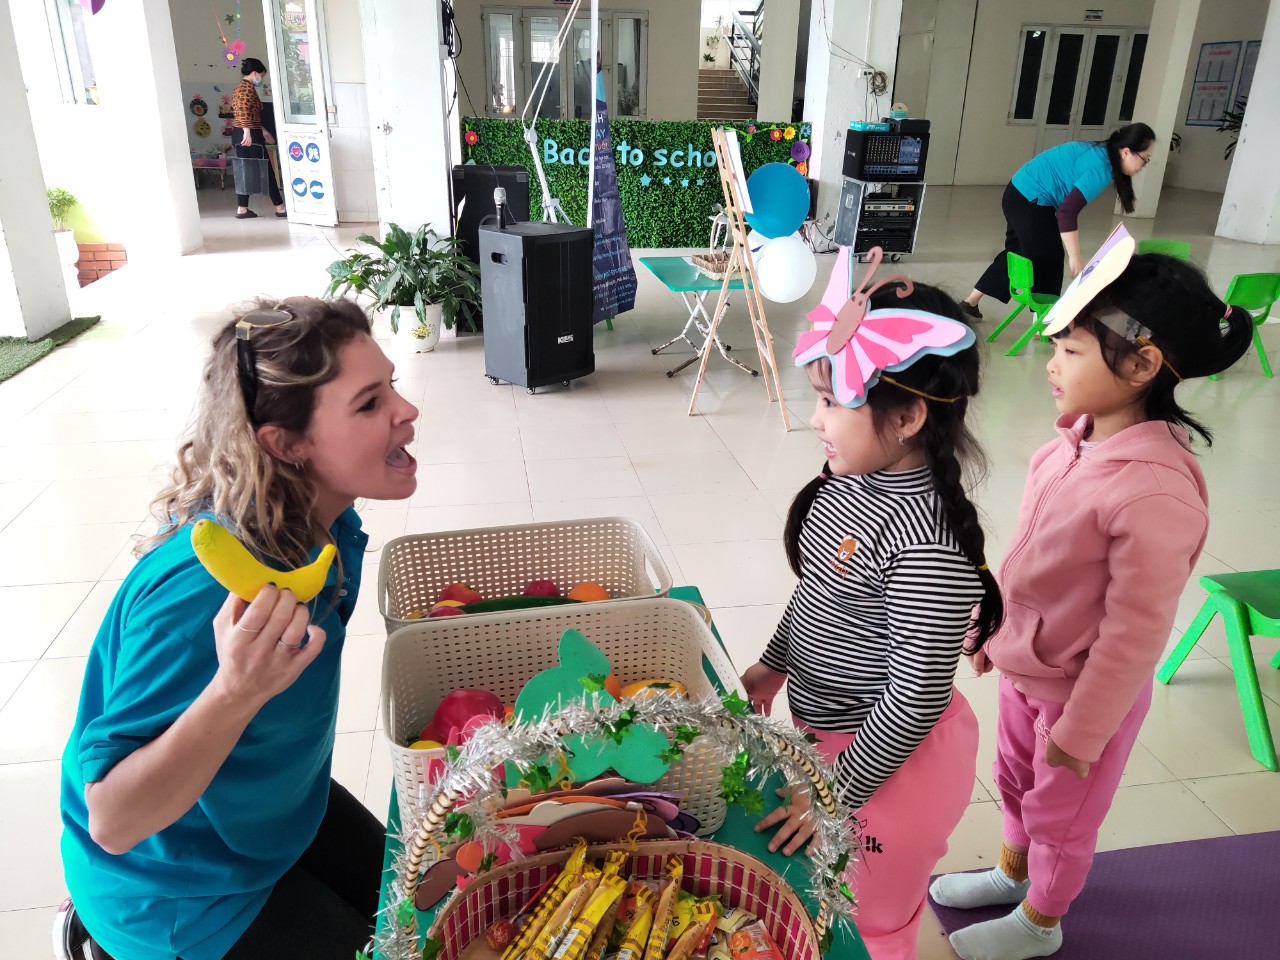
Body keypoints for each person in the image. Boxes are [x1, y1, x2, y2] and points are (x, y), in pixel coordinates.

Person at [55, 297, 420, 960]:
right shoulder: (202, 592)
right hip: (180, 897)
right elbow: (113, 819)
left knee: (430, 911)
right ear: (286, 444)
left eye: (391, 385)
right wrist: (236, 691)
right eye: (370, 403)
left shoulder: (327, 528)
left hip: (268, 815)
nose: (407, 410)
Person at [929, 250, 1253, 960]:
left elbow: (1135, 634)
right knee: (1015, 783)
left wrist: (1082, 733)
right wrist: (990, 627)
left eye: (1071, 350)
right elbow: (1027, 564)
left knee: (1063, 815)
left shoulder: (1155, 492)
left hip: (1083, 700)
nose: (1051, 364)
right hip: (1028, 671)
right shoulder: (1065, 448)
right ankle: (1013, 874)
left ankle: (1041, 921)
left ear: (1142, 365)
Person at [740, 249, 1004, 960]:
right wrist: (775, 663)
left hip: (890, 766)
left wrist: (833, 792)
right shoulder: (848, 483)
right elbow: (817, 592)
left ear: (910, 414)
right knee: (824, 903)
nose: (815, 418)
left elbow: (916, 697)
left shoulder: (925, 544)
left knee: (867, 925)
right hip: (834, 746)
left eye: (833, 402)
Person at [960, 123, 1155, 319]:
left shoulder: (1101, 152)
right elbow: (1067, 212)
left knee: (1019, 252)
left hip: (1018, 191)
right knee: (1048, 260)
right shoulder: (1101, 168)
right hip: (1031, 199)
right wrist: (1075, 256)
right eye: (1145, 159)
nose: (1144, 165)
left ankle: (970, 302)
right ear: (1126, 152)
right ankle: (1042, 324)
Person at [232, 58, 287, 220]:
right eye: (261, 76)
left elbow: (249, 113)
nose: (261, 79)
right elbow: (243, 111)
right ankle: (280, 207)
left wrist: (262, 130)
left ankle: (242, 208)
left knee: (244, 170)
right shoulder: (246, 89)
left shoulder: (240, 87)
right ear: (255, 73)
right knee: (265, 170)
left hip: (243, 133)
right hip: (248, 135)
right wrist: (247, 132)